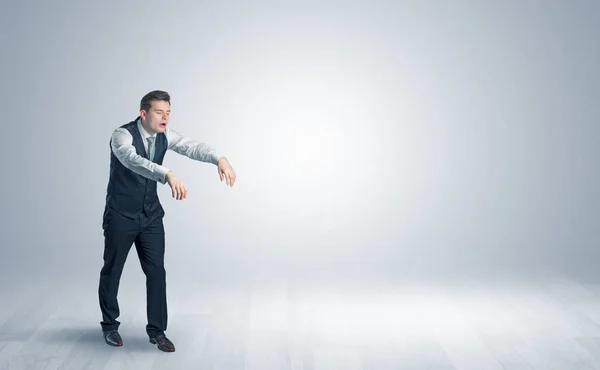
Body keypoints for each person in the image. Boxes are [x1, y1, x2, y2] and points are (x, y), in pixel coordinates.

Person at [98, 90, 236, 352]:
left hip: (150, 216)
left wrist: (220, 158)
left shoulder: (165, 135)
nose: (165, 118)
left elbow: (191, 145)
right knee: (113, 269)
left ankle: (157, 331)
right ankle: (109, 326)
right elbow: (132, 160)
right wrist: (167, 174)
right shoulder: (122, 135)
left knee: (157, 272)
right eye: (159, 112)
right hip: (120, 215)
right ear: (144, 113)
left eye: (168, 112)